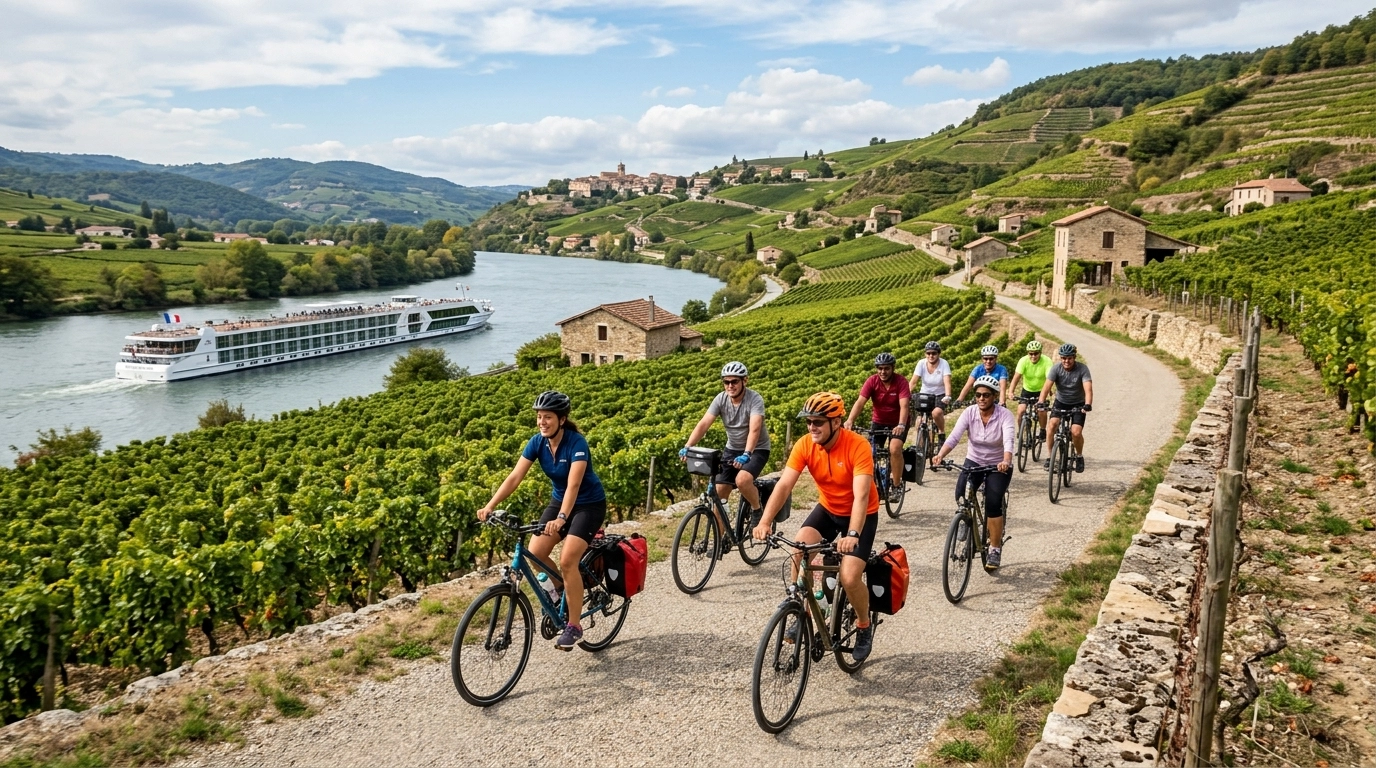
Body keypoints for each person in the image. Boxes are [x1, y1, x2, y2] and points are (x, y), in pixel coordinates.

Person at [477, 391, 607, 651]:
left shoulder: (577, 443)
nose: (542, 422)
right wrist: (490, 506)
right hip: (559, 502)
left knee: (568, 559)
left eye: (548, 417)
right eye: (539, 417)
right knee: (536, 552)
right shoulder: (537, 443)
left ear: (562, 419)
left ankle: (574, 626)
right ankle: (562, 589)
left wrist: (561, 518)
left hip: (588, 505)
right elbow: (515, 476)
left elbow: (574, 484)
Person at [754, 392, 877, 662]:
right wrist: (764, 521)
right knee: (799, 550)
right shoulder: (805, 445)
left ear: (836, 422)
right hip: (828, 510)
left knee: (849, 576)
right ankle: (805, 611)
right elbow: (784, 485)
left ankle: (864, 625)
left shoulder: (857, 446)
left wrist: (853, 535)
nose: (812, 427)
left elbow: (861, 496)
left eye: (818, 422)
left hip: (861, 515)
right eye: (809, 422)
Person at [930, 375, 1014, 571]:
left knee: (993, 502)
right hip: (974, 460)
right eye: (978, 395)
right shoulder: (969, 413)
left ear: (994, 396)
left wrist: (1006, 460)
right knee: (960, 492)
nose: (981, 399)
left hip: (998, 464)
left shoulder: (1004, 415)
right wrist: (940, 455)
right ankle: (966, 519)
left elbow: (1009, 439)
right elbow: (954, 437)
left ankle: (994, 548)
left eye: (986, 395)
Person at [682, 361, 771, 528]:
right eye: (726, 382)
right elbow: (704, 424)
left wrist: (747, 454)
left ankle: (757, 508)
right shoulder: (720, 399)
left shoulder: (755, 399)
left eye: (734, 381)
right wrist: (688, 445)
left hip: (757, 449)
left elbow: (754, 429)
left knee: (742, 480)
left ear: (745, 381)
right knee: (719, 493)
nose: (730, 385)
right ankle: (721, 540)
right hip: (732, 448)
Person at [844, 352, 909, 501]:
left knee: (895, 448)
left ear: (892, 368)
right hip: (878, 421)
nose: (883, 372)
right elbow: (860, 402)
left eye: (886, 368)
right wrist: (850, 420)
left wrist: (900, 424)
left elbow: (904, 405)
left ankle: (897, 485)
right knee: (867, 452)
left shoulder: (901, 382)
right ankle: (873, 484)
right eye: (880, 368)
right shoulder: (872, 381)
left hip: (897, 423)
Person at [1040, 343, 1093, 473]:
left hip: (1078, 404)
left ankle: (1079, 456)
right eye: (1063, 358)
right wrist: (1041, 401)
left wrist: (1088, 404)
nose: (1066, 361)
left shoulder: (1082, 369)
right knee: (1052, 425)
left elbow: (1088, 389)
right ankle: (1050, 456)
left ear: (1074, 357)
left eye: (1069, 358)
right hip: (1061, 402)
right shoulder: (1056, 368)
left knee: (1076, 432)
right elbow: (1046, 387)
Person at [909, 340, 953, 444]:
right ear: (925, 354)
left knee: (936, 413)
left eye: (934, 353)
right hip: (925, 394)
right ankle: (922, 446)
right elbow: (913, 382)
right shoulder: (921, 363)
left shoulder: (944, 363)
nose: (931, 355)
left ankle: (941, 432)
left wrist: (948, 395)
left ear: (938, 354)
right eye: (928, 353)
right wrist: (905, 394)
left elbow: (947, 382)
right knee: (919, 421)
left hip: (940, 394)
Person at [1008, 340, 1051, 441]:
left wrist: (1048, 390)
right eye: (1030, 353)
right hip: (1027, 390)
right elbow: (1016, 378)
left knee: (1041, 411)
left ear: (1040, 353)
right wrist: (1011, 391)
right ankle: (1021, 430)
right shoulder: (1023, 361)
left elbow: (1050, 379)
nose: (1033, 356)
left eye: (1036, 353)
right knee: (1020, 411)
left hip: (1041, 390)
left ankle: (1042, 430)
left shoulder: (1047, 361)